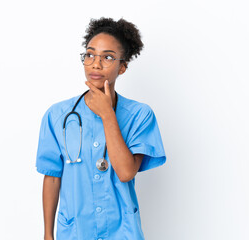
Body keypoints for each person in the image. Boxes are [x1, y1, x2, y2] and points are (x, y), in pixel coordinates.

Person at [36, 17, 167, 240]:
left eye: (108, 57)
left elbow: (126, 172)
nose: (96, 64)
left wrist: (107, 114)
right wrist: (48, 235)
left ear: (122, 66)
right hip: (76, 230)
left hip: (122, 231)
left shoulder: (139, 115)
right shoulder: (58, 116)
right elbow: (52, 177)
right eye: (89, 55)